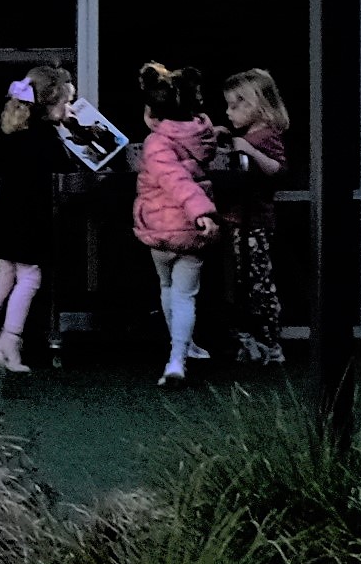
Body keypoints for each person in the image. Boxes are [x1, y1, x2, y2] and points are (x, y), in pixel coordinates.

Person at [0, 59, 120, 372]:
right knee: (30, 278)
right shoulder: (45, 138)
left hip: (7, 215)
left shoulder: (20, 131)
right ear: (52, 103)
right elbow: (77, 162)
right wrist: (75, 128)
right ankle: (9, 341)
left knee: (5, 276)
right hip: (27, 218)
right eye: (68, 101)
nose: (71, 107)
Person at [126, 64, 223, 384]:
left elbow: (175, 179)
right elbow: (188, 176)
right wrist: (201, 215)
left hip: (161, 230)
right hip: (191, 233)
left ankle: (176, 356)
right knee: (186, 295)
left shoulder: (156, 144)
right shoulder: (203, 135)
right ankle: (181, 353)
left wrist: (199, 211)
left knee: (168, 288)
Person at [208, 69, 298, 370]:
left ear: (256, 104)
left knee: (258, 284)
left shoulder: (265, 138)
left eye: (235, 105)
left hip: (253, 224)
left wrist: (247, 150)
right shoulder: (245, 137)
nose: (229, 111)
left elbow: (277, 169)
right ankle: (249, 343)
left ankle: (271, 343)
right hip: (235, 222)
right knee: (241, 284)